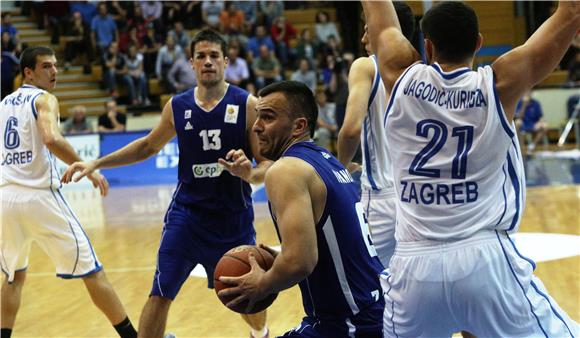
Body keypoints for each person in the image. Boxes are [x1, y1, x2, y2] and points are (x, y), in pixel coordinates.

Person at [363, 0, 580, 336]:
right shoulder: (499, 85)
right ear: (478, 42)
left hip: (413, 266)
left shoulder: (399, 76)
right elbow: (571, 13)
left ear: (428, 45)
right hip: (483, 259)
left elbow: (381, 17)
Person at [61, 29, 272, 338]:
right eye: (201, 56)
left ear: (226, 61)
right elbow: (147, 146)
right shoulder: (178, 106)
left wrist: (248, 174)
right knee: (160, 292)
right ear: (192, 63)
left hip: (232, 219)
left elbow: (266, 165)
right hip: (186, 217)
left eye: (214, 55)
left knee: (247, 299)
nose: (208, 62)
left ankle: (261, 333)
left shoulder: (247, 104)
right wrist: (96, 162)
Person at [218, 81, 385, 337]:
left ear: (299, 126)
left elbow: (300, 262)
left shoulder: (285, 169)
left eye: (268, 117)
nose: (256, 126)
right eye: (257, 116)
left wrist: (262, 283)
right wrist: (278, 260)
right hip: (374, 309)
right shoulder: (329, 162)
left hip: (350, 325)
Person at [0, 46, 137, 338]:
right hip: (39, 197)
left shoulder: (3, 104)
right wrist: (86, 166)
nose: (54, 72)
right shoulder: (44, 99)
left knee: (13, 277)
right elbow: (50, 137)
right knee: (92, 270)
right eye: (47, 66)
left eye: (55, 65)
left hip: (5, 199)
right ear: (28, 72)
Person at [337, 2, 415, 269]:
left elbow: (350, 130)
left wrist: (342, 166)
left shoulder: (366, 66)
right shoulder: (422, 69)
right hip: (418, 197)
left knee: (369, 283)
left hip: (381, 197)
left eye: (368, 30)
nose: (363, 38)